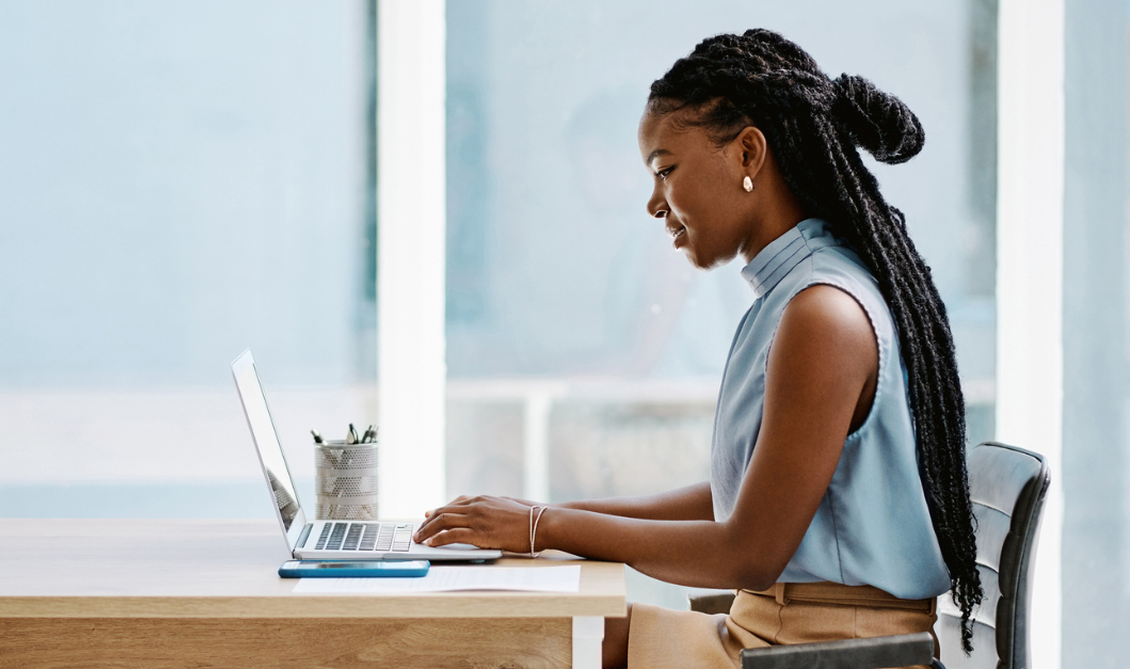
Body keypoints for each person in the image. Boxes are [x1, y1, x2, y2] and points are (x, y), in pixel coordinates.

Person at [412, 29, 981, 669]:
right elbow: (730, 497)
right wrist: (540, 518)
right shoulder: (792, 296)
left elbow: (750, 551)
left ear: (747, 154)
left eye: (665, 170)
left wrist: (547, 527)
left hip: (823, 653)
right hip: (777, 636)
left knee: (534, 645)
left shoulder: (823, 314)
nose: (655, 203)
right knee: (548, 636)